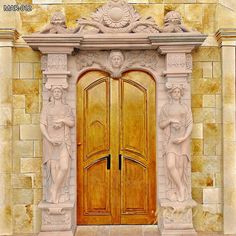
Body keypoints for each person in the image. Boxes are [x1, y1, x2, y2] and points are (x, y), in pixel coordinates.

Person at [40, 86, 74, 204]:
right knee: (54, 168)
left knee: (64, 167)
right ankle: (56, 192)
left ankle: (54, 188)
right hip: (51, 143)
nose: (57, 93)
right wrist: (49, 139)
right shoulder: (47, 108)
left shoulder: (67, 108)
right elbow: (42, 125)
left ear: (62, 93)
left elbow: (71, 122)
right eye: (55, 91)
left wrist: (62, 121)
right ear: (52, 93)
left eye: (59, 91)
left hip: (64, 141)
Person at [159, 84, 192, 202]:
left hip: (183, 139)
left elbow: (190, 124)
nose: (177, 94)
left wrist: (184, 138)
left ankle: (179, 190)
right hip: (170, 139)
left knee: (180, 166)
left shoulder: (185, 107)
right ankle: (181, 187)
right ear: (171, 94)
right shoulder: (166, 108)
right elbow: (161, 124)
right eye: (175, 92)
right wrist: (170, 120)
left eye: (178, 92)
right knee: (170, 165)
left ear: (181, 94)